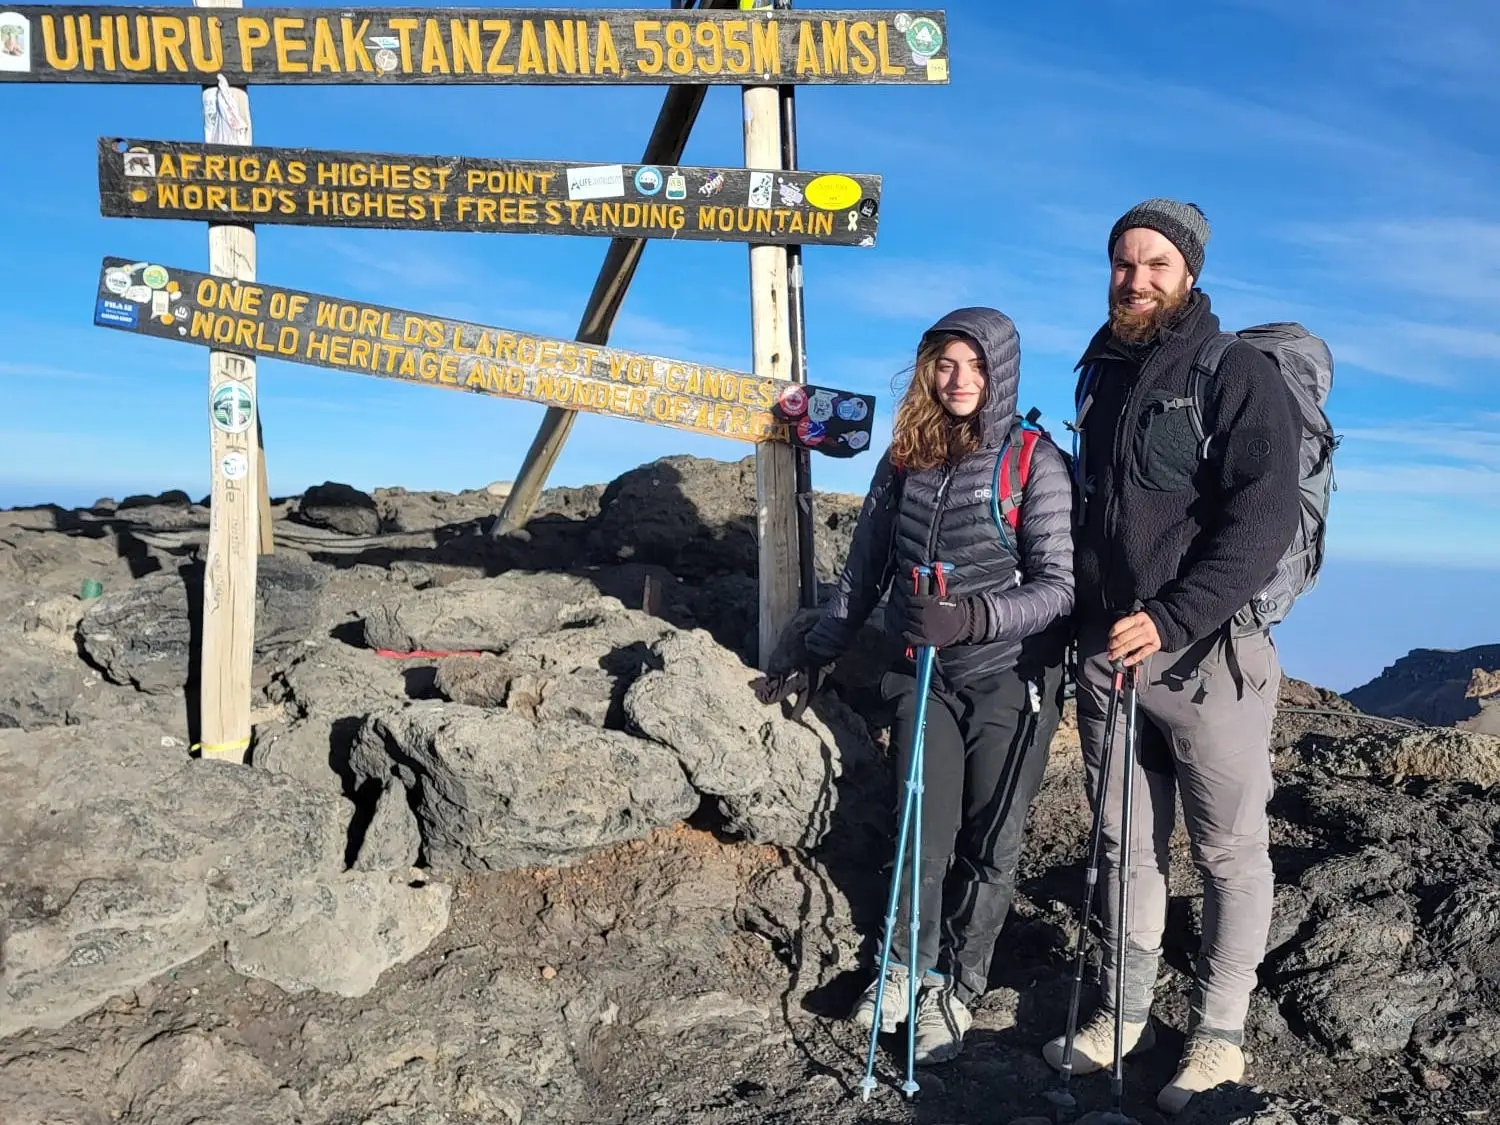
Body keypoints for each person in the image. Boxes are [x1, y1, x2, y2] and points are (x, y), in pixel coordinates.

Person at [1040, 199, 1302, 1113]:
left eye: (1155, 263)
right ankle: (1124, 1011)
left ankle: (1219, 1034)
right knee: (1123, 845)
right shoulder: (1100, 370)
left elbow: (1262, 519)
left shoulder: (1236, 374)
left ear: (1189, 271)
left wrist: (1175, 613)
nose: (1136, 278)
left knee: (1228, 851)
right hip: (1109, 654)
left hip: (1208, 660)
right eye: (1122, 262)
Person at [772, 307, 1075, 1065]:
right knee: (921, 834)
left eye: (975, 365)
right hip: (923, 675)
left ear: (1001, 371)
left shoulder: (1033, 461)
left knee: (991, 841)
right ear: (925, 368)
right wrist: (820, 649)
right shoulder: (906, 457)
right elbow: (865, 566)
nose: (960, 379)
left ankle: (957, 988)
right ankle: (905, 968)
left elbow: (1059, 586)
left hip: (1011, 677)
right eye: (945, 362)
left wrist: (970, 616)